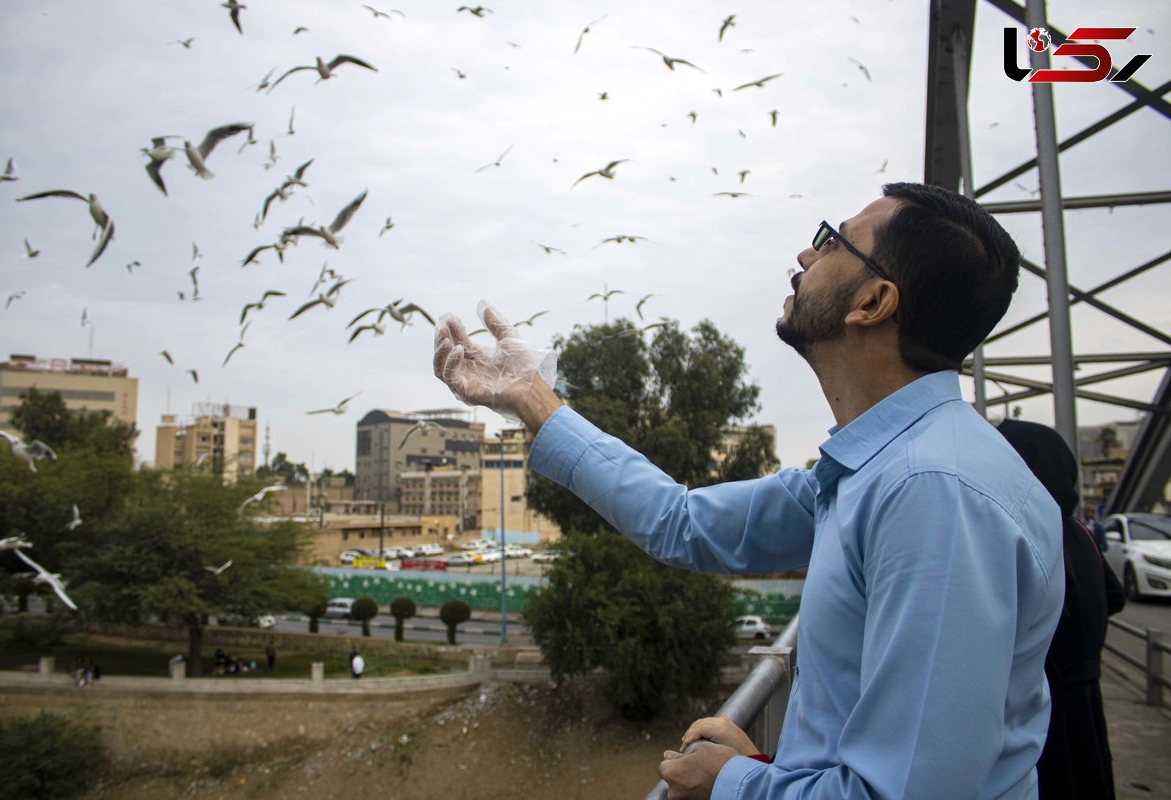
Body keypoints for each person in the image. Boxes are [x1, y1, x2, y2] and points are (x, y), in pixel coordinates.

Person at [431, 182, 1065, 799]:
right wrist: (532, 399)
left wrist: (733, 782)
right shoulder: (873, 469)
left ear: (873, 301)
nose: (805, 255)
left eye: (833, 242)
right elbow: (681, 522)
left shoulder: (932, 494)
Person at [997, 419, 1125, 800]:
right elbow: (1114, 598)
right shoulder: (1079, 533)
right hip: (1087, 691)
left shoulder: (1029, 532)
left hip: (1045, 699)